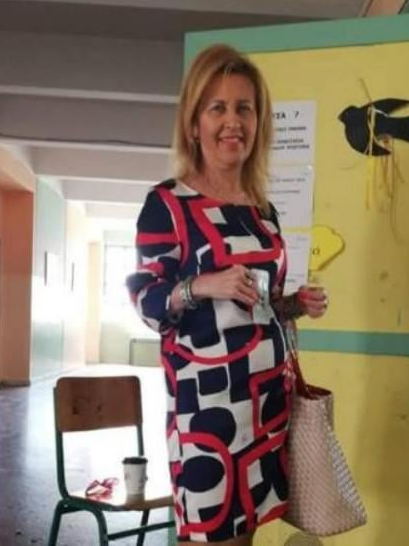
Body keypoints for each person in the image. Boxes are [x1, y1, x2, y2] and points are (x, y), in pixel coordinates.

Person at [126, 44, 328, 545]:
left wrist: (294, 304)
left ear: (259, 122)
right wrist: (200, 285)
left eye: (244, 108)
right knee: (211, 535)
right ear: (194, 124)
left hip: (265, 403)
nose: (232, 121)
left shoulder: (262, 211)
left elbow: (261, 303)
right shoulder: (167, 204)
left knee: (246, 536)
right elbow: (146, 301)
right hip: (207, 414)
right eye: (217, 108)